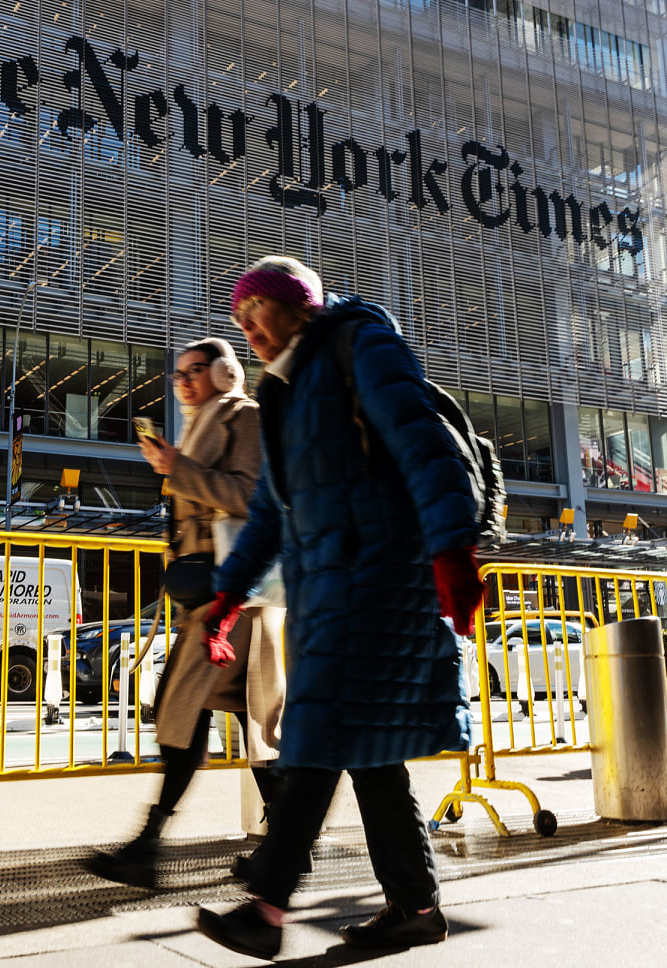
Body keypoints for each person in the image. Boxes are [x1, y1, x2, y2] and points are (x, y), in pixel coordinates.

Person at [193, 256, 485, 961]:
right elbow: (270, 509)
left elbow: (422, 445)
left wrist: (452, 551)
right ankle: (415, 906)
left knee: (318, 731)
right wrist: (228, 594)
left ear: (297, 303)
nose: (249, 328)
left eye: (257, 309)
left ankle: (266, 906)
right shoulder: (284, 389)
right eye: (239, 320)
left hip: (379, 579)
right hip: (327, 589)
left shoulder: (360, 342)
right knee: (368, 753)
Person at [84, 338, 287, 889]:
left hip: (234, 601)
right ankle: (286, 850)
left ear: (225, 372)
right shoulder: (209, 422)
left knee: (191, 715)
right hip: (220, 601)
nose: (184, 382)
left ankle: (148, 848)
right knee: (244, 722)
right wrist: (174, 468)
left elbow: (251, 496)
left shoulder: (244, 415)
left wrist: (179, 468)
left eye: (194, 371)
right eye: (177, 376)